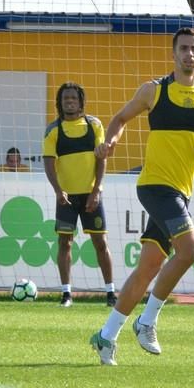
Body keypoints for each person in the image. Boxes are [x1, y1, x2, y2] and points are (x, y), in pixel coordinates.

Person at [89, 27, 194, 365]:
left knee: (148, 267)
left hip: (181, 192)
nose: (189, 54)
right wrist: (111, 141)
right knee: (190, 250)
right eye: (183, 48)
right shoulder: (153, 91)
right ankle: (148, 320)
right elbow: (120, 118)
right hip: (155, 186)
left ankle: (106, 336)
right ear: (174, 53)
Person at [42, 82, 117, 308]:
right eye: (66, 98)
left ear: (81, 101)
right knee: (65, 243)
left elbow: (101, 159)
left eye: (74, 98)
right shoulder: (53, 130)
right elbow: (48, 163)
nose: (70, 101)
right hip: (66, 197)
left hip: (91, 195)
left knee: (100, 243)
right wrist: (58, 191)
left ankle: (111, 293)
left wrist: (96, 190)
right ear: (60, 102)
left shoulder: (94, 125)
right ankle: (66, 294)